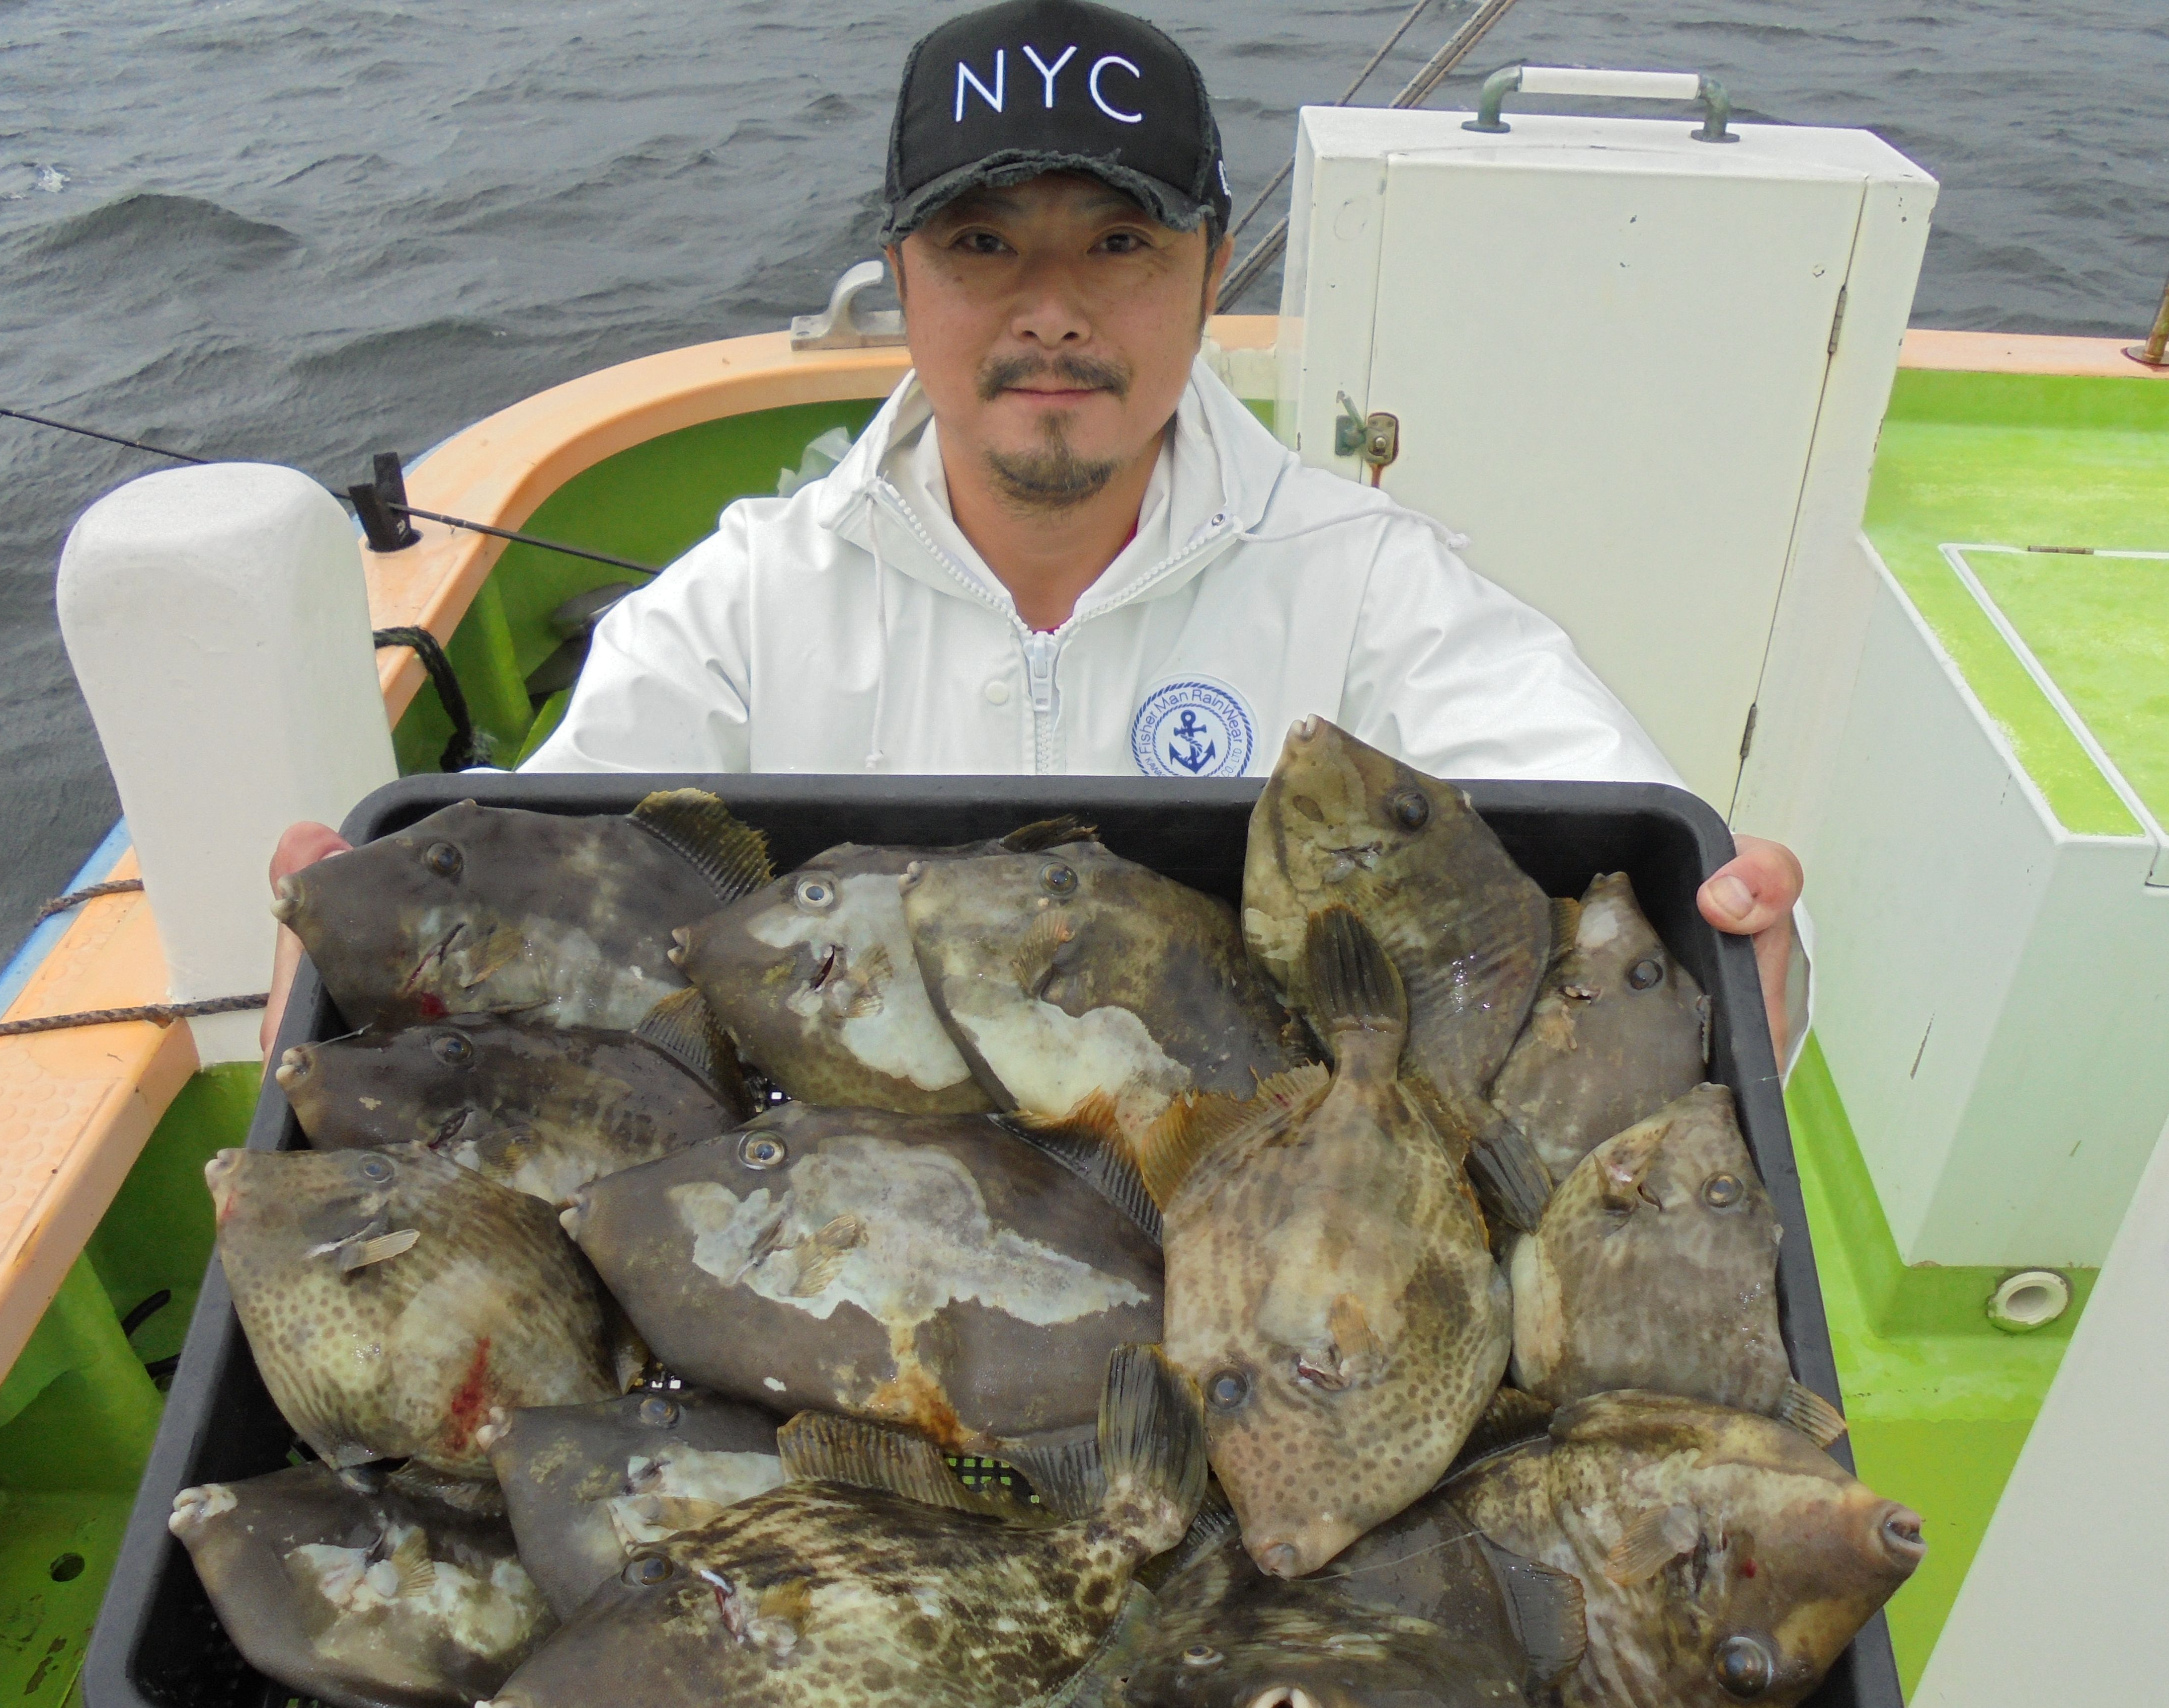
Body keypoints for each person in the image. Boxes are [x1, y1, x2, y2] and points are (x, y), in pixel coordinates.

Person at [267, 0, 1804, 1056]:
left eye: (1120, 243)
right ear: (903, 279)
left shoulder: (1374, 593)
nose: (1053, 311)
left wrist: (1750, 952)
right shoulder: (739, 609)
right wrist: (377, 942)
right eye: (984, 244)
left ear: (1210, 273)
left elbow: (1634, 855)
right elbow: (539, 883)